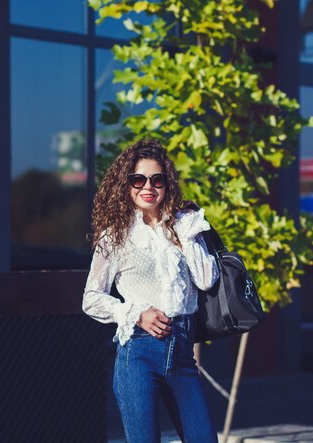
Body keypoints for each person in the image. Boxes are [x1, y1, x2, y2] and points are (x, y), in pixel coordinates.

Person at [82, 138, 219, 442]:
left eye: (157, 180)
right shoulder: (114, 236)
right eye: (138, 179)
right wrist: (135, 313)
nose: (148, 187)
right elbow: (90, 299)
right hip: (138, 354)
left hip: (182, 354)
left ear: (167, 184)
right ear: (126, 184)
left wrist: (188, 231)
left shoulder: (182, 225)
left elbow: (206, 280)